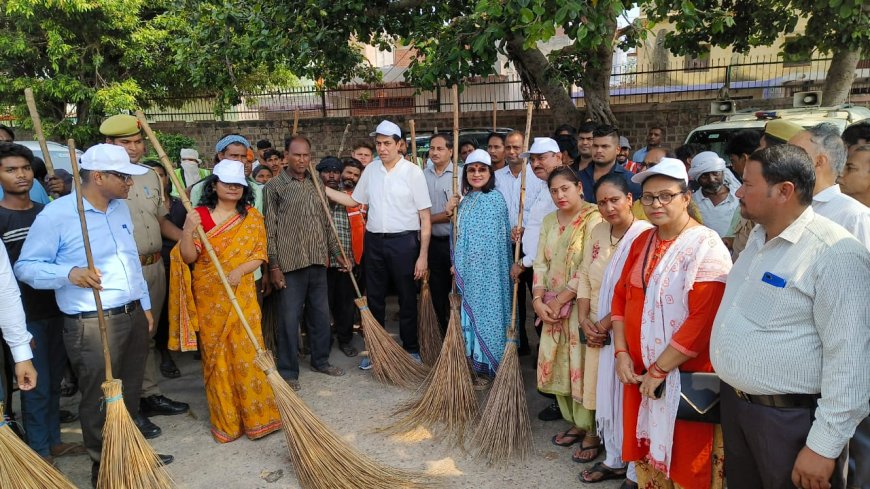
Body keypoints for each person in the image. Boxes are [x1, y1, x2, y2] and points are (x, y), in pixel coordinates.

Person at [710, 144, 870, 489]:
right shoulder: (757, 237)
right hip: (740, 410)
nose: (738, 190)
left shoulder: (834, 255)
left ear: (784, 191)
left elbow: (851, 362)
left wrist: (823, 447)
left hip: (790, 423)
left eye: (748, 184)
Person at [15, 144, 174, 486]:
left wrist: (144, 306)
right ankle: (104, 465)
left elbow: (129, 260)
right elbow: (26, 267)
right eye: (122, 177)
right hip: (91, 321)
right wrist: (69, 273)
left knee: (128, 392)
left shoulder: (119, 209)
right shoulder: (58, 215)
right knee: (100, 397)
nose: (129, 183)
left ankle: (129, 451)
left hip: (131, 312)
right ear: (98, 177)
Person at [611, 157, 732, 488]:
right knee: (647, 455)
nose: (655, 204)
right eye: (648, 197)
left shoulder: (707, 246)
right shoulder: (642, 241)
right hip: (640, 371)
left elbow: (702, 321)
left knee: (688, 459)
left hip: (683, 377)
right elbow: (620, 297)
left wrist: (660, 369)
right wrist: (621, 352)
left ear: (686, 198)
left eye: (666, 195)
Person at [171, 160, 282, 442]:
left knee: (248, 351)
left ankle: (258, 418)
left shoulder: (252, 217)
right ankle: (228, 422)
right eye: (226, 183)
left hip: (242, 293)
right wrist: (187, 229)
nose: (232, 188)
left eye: (238, 185)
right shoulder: (198, 216)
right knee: (217, 356)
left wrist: (241, 270)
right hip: (210, 296)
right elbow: (188, 258)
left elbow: (260, 254)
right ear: (214, 185)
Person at [99, 114, 189, 439]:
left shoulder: (152, 175)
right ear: (110, 144)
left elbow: (162, 220)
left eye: (138, 141)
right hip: (122, 270)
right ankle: (127, 407)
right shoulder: (99, 177)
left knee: (148, 335)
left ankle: (149, 394)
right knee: (125, 341)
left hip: (154, 266)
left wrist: (192, 238)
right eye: (126, 143)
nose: (135, 148)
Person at [0, 142, 84, 463]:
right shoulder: (1, 217)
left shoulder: (48, 211)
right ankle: (39, 452)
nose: (20, 175)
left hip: (59, 307)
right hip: (24, 316)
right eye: (10, 170)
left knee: (53, 380)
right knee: (35, 384)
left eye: (24, 168)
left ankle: (54, 441)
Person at [324, 120, 432, 369]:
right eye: (378, 143)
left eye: (387, 143)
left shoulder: (412, 172)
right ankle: (376, 351)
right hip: (374, 242)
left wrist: (422, 255)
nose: (382, 148)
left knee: (406, 297)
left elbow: (425, 216)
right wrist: (324, 190)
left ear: (399, 145)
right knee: (374, 299)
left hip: (404, 242)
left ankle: (411, 348)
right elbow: (353, 202)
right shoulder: (371, 170)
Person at [583, 175, 654, 487]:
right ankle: (614, 458)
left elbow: (635, 291)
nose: (609, 207)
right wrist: (585, 318)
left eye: (615, 199)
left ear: (630, 199)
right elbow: (584, 272)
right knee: (608, 396)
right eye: (602, 202)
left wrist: (604, 323)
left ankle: (635, 470)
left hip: (626, 328)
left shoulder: (644, 235)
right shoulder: (598, 230)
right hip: (597, 325)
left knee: (628, 398)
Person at [533, 167, 603, 463]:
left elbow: (590, 264)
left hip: (580, 306)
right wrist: (538, 300)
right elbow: (539, 263)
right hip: (550, 308)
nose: (559, 195)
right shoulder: (549, 220)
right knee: (558, 363)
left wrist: (562, 298)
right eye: (553, 191)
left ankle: (592, 431)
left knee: (582, 366)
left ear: (579, 188)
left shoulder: (594, 217)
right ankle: (575, 422)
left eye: (565, 189)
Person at [263, 137, 346, 389]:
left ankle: (321, 361)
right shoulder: (274, 187)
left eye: (306, 156)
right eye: (296, 155)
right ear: (286, 156)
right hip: (289, 265)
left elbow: (326, 223)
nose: (301, 160)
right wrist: (274, 266)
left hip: (317, 261)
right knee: (289, 320)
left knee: (320, 317)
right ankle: (289, 371)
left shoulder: (316, 186)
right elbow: (270, 229)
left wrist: (337, 252)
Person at [509, 137, 564, 421]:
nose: (536, 163)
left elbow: (557, 238)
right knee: (544, 329)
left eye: (541, 157)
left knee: (554, 333)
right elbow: (539, 227)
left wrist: (524, 262)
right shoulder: (543, 188)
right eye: (533, 159)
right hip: (538, 268)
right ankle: (554, 394)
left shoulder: (560, 189)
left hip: (554, 272)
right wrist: (522, 231)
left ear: (558, 157)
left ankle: (560, 400)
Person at [445, 149, 511, 386]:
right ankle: (473, 365)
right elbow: (462, 235)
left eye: (482, 169)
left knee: (487, 317)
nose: (476, 174)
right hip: (468, 272)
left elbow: (491, 243)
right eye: (471, 170)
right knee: (470, 319)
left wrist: (463, 263)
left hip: (489, 274)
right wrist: (450, 209)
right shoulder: (466, 200)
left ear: (490, 173)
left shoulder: (495, 200)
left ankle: (489, 369)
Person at [494, 130, 539, 356]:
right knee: (514, 296)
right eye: (508, 147)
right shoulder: (497, 177)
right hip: (506, 245)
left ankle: (543, 347)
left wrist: (526, 228)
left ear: (525, 149)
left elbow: (541, 213)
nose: (513, 152)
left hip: (532, 246)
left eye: (517, 147)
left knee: (537, 294)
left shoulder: (537, 177)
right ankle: (519, 343)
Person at [790, 123, 870, 248]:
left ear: (819, 161)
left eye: (793, 154)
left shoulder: (854, 217)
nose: (782, 158)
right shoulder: (786, 203)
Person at [317, 156, 360, 358]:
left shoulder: (348, 197)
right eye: (327, 171)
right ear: (320, 174)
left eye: (335, 171)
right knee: (321, 306)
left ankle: (345, 339)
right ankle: (323, 341)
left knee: (345, 304)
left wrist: (352, 257)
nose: (332, 175)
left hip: (345, 260)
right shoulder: (314, 196)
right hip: (320, 261)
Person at [423, 133, 457, 333]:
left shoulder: (459, 175)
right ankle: (440, 334)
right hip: (431, 242)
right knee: (437, 291)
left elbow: (455, 214)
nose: (434, 152)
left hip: (454, 241)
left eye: (440, 148)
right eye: (432, 148)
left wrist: (427, 219)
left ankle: (459, 334)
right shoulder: (422, 175)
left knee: (457, 291)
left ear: (451, 151)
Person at [579, 126, 641, 204]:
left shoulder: (630, 180)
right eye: (595, 146)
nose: (598, 150)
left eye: (604, 146)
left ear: (617, 150)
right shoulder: (577, 177)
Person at [688, 151, 739, 237]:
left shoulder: (738, 197)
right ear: (697, 178)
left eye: (715, 173)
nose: (711, 179)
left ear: (722, 173)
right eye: (704, 176)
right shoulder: (691, 203)